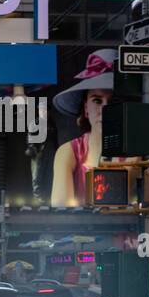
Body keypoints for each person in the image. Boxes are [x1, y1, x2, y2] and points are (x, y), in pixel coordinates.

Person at [51, 48, 115, 208]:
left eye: (113, 103)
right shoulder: (68, 152)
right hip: (77, 232)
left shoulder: (135, 155)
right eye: (97, 101)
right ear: (86, 107)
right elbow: (61, 211)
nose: (105, 109)